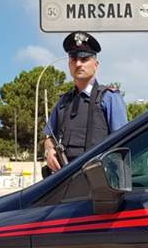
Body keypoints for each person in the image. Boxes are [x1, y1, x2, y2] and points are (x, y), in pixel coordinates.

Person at [43, 31, 127, 173]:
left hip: (99, 180)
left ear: (96, 64)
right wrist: (49, 151)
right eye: (74, 59)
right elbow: (49, 138)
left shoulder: (109, 98)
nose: (78, 64)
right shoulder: (63, 102)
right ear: (69, 64)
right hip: (64, 180)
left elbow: (123, 143)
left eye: (84, 59)